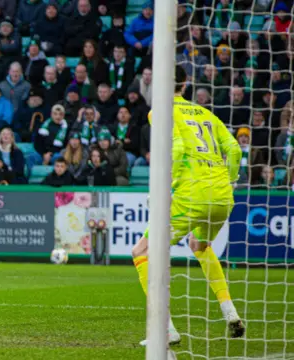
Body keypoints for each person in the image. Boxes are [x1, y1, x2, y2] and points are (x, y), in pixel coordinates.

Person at [132, 66, 245, 346]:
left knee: (142, 252)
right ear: (185, 85)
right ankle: (229, 312)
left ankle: (165, 330)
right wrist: (228, 180)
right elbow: (234, 149)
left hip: (192, 194)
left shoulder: (160, 110)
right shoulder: (204, 113)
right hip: (222, 195)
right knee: (199, 246)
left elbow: (178, 147)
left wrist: (165, 188)